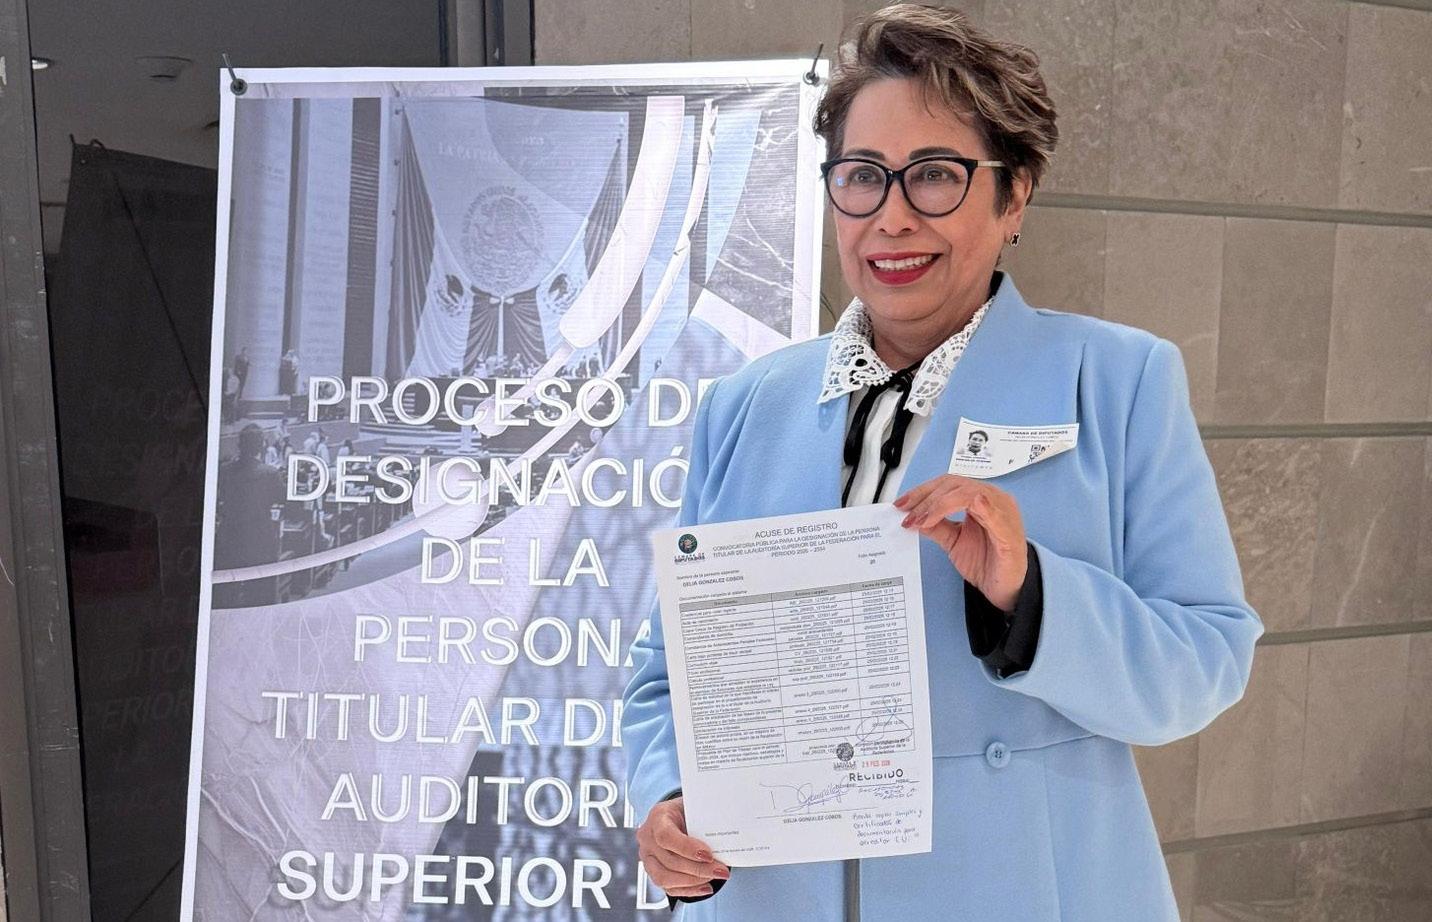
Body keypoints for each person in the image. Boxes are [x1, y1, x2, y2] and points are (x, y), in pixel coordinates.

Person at [621, 6, 1262, 921]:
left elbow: (1206, 658)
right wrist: (668, 798)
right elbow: (665, 672)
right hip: (776, 898)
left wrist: (1031, 594)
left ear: (1014, 196)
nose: (891, 218)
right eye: (861, 176)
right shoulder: (746, 404)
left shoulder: (1115, 383)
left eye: (933, 176)